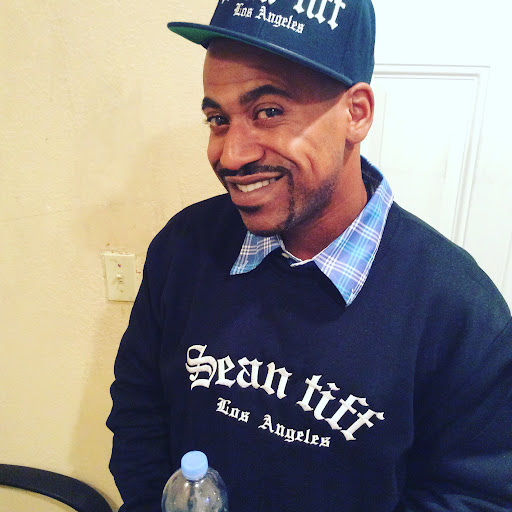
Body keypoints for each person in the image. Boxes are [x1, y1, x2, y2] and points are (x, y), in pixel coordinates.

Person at [107, 1, 512, 511]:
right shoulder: (184, 246)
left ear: (356, 113)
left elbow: (476, 497)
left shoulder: (459, 312)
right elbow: (139, 410)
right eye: (218, 119)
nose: (231, 155)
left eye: (269, 112)